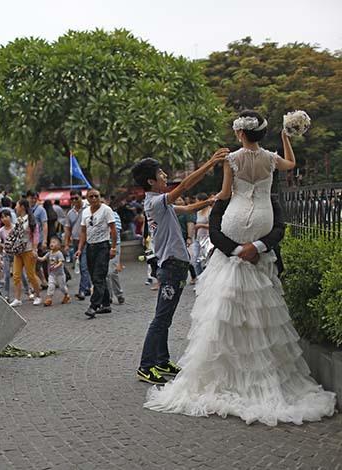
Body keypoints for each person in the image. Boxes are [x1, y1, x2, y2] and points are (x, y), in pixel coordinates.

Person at [144, 111, 336, 426]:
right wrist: (286, 137)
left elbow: (225, 194)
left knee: (224, 299)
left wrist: (205, 204)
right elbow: (292, 164)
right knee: (263, 299)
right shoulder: (272, 158)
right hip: (262, 220)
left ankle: (224, 370)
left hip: (234, 220)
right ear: (260, 135)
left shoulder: (231, 159)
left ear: (238, 134)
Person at [132, 148, 229, 385]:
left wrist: (209, 201)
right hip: (171, 266)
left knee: (165, 318)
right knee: (160, 319)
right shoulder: (155, 202)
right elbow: (184, 186)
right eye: (161, 172)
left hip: (176, 266)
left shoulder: (158, 204)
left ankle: (162, 361)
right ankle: (146, 366)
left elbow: (185, 209)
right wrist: (210, 162)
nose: (165, 175)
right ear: (150, 180)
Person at [75, 188, 118, 318]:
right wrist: (80, 248)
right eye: (91, 196)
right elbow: (83, 231)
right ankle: (105, 304)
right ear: (87, 199)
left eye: (96, 196)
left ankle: (93, 306)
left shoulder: (106, 210)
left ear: (100, 197)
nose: (94, 199)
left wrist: (114, 248)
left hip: (103, 246)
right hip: (90, 247)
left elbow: (113, 229)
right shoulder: (86, 212)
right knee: (95, 277)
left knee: (99, 276)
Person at [8, 199, 42, 308]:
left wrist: (35, 249)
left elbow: (36, 235)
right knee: (16, 275)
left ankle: (38, 296)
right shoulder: (18, 220)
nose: (16, 207)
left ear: (22, 207)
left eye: (17, 205)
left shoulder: (30, 219)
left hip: (28, 250)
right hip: (18, 251)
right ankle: (17, 299)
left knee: (30, 275)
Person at [0, 209, 30, 302]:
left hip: (17, 254)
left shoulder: (16, 227)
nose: (4, 219)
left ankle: (28, 291)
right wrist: (4, 246)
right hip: (6, 254)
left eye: (6, 216)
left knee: (21, 274)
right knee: (7, 275)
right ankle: (7, 295)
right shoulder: (1, 231)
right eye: (2, 217)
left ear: (10, 217)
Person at [64, 190, 91, 300]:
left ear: (81, 197)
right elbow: (67, 229)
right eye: (72, 199)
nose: (74, 201)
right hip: (75, 241)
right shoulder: (70, 213)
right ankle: (87, 287)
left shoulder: (88, 208)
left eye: (76, 198)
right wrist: (66, 244)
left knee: (84, 266)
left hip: (88, 240)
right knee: (81, 265)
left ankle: (82, 290)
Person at [105, 196, 125, 305]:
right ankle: (109, 296)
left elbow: (115, 232)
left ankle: (119, 294)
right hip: (102, 247)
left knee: (112, 272)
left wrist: (112, 247)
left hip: (114, 245)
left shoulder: (113, 214)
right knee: (106, 274)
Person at [39, 236, 70, 306]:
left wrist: (56, 266)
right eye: (50, 242)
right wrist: (36, 257)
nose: (51, 244)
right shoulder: (49, 253)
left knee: (62, 287)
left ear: (59, 245)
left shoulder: (59, 253)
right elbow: (43, 259)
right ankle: (49, 299)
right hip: (52, 274)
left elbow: (61, 262)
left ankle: (66, 295)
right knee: (51, 285)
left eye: (54, 242)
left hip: (60, 274)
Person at [191, 193, 211, 276]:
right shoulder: (198, 211)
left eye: (197, 201)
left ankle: (207, 279)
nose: (196, 203)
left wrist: (201, 225)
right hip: (197, 238)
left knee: (206, 260)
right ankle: (199, 278)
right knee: (195, 260)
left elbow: (213, 225)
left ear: (202, 201)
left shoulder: (210, 211)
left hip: (208, 238)